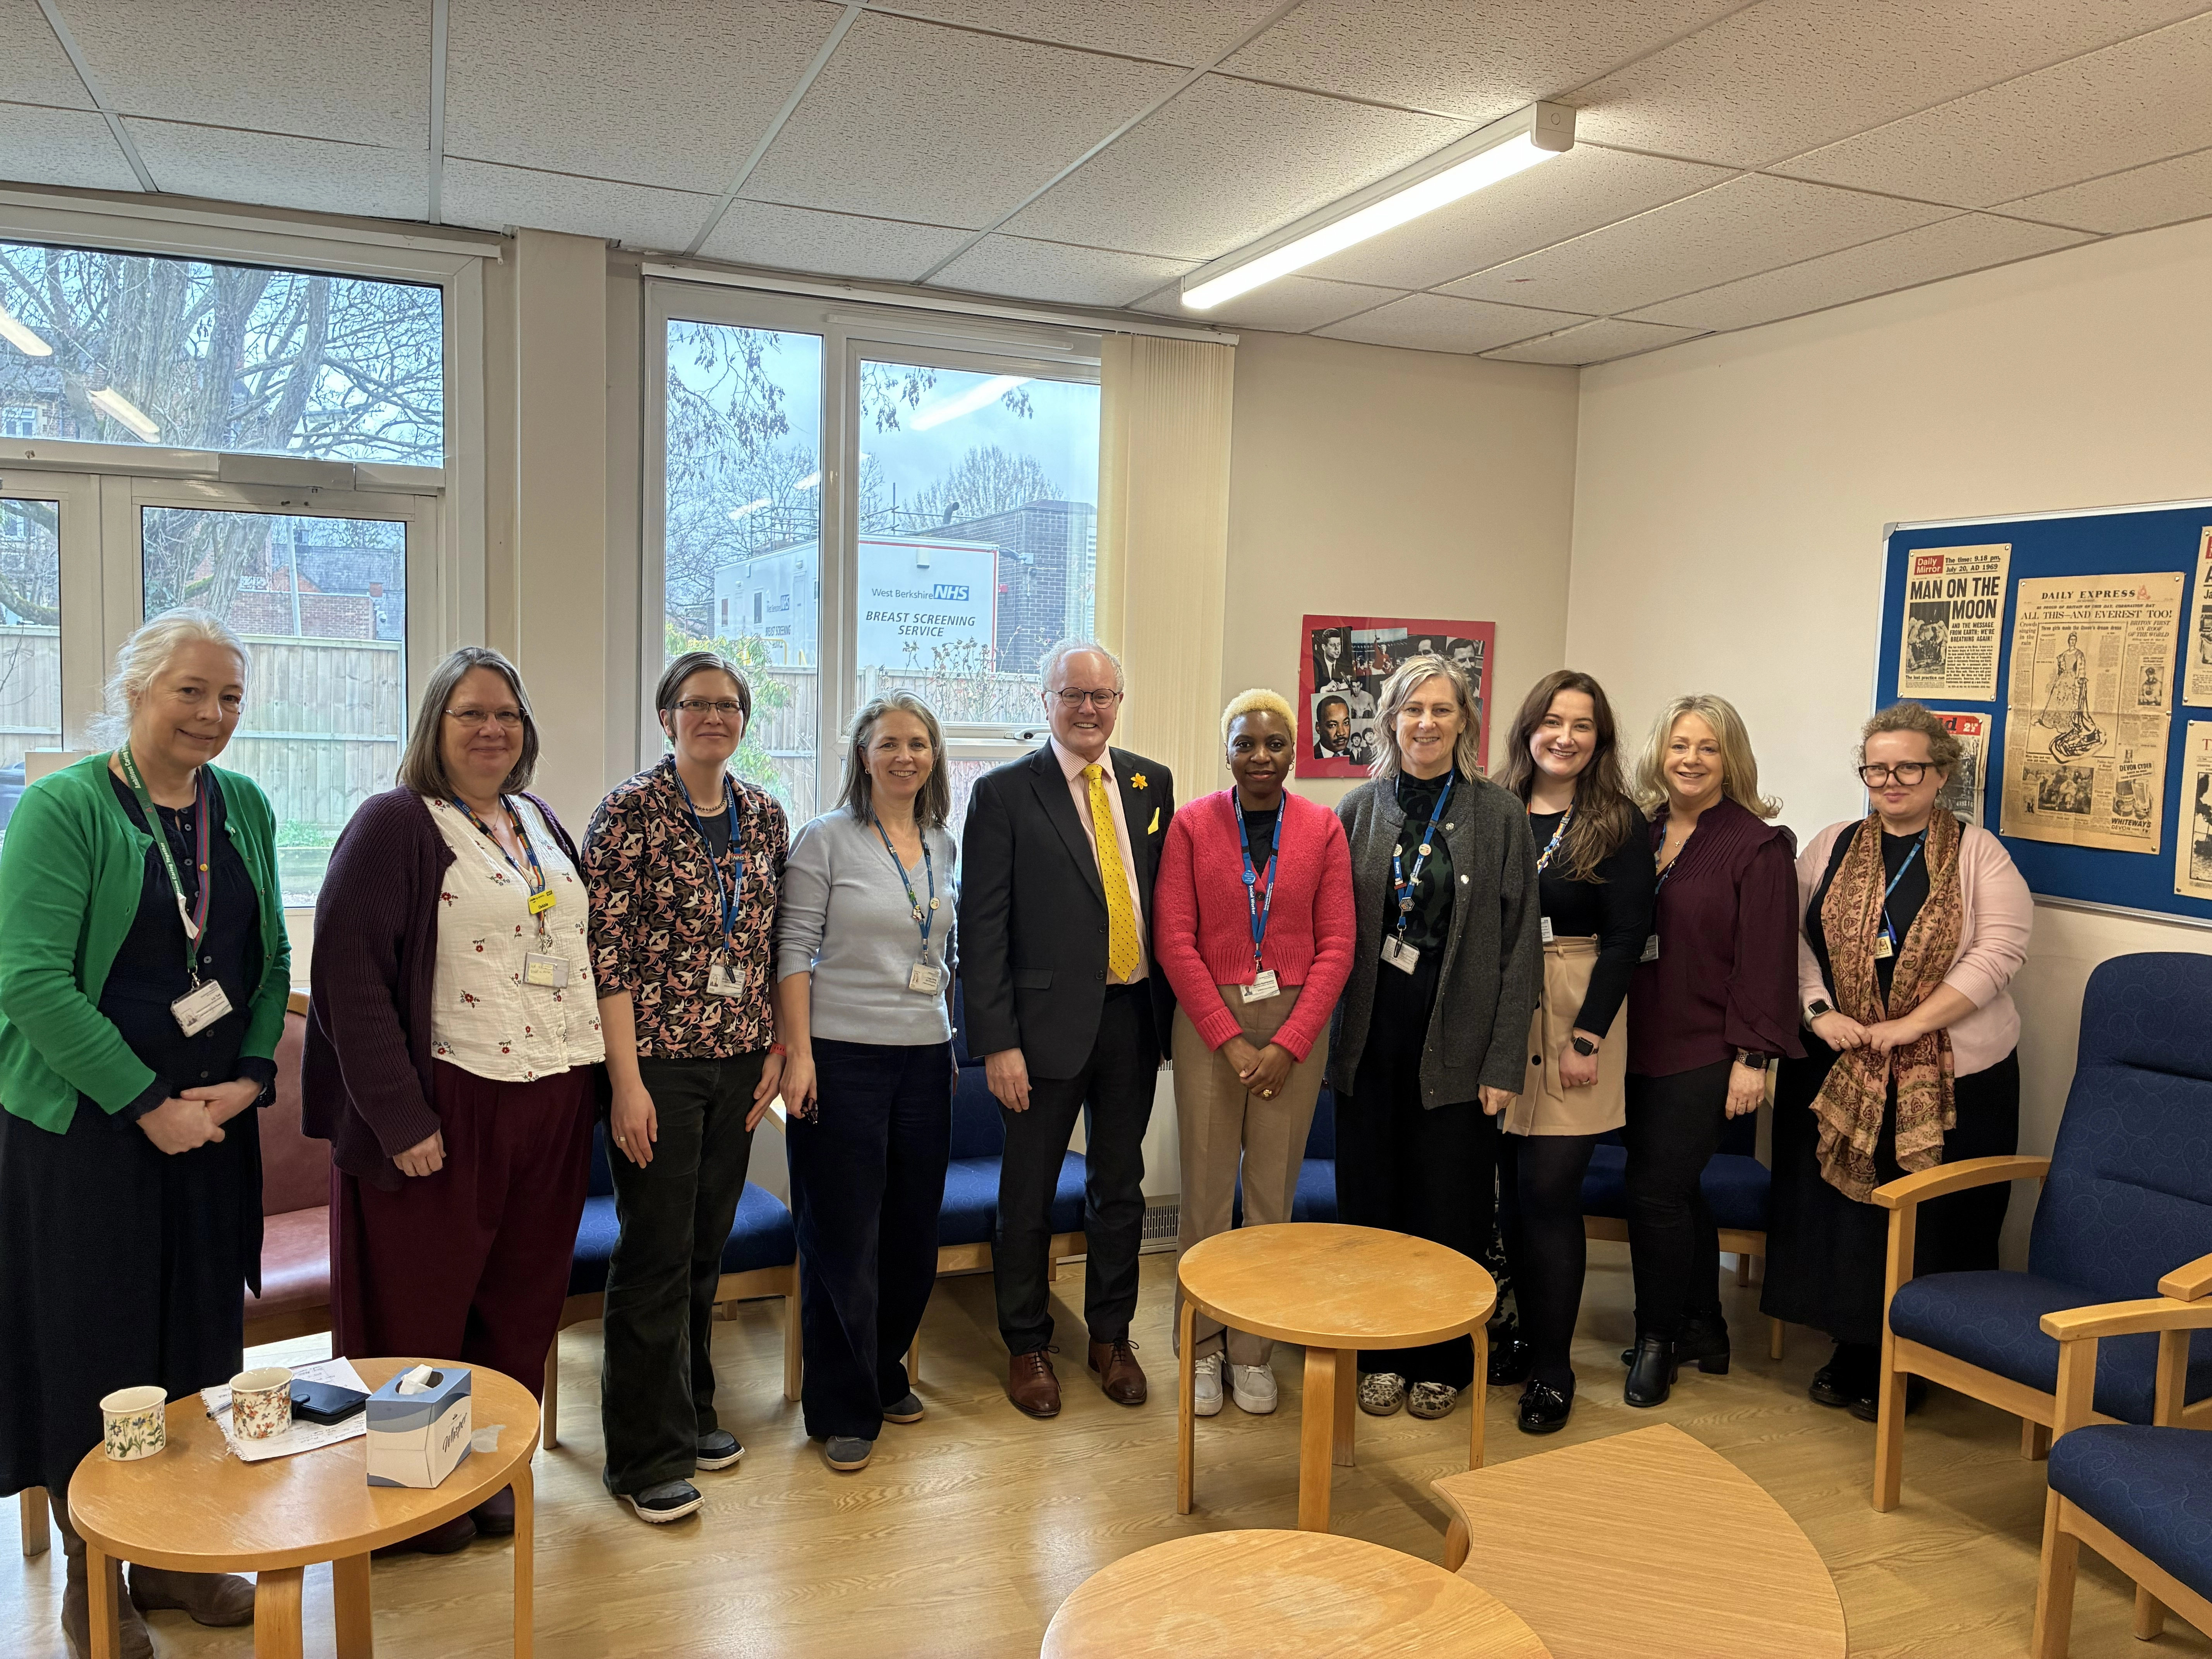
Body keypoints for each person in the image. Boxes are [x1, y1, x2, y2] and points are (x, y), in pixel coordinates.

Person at [0, 610, 289, 1657]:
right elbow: (28, 979)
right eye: (191, 692)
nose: (213, 715)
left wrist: (250, 1081)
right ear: (136, 690)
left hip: (212, 1127)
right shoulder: (65, 806)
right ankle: (99, 1572)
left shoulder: (243, 804)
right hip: (88, 1134)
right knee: (100, 1352)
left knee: (197, 1346)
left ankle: (179, 1556)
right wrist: (145, 1103)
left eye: (230, 697)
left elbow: (270, 961)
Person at [306, 647, 601, 1554]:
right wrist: (401, 1119)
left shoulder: (538, 819)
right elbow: (348, 979)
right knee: (419, 1311)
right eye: (471, 714)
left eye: (507, 715)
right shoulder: (395, 823)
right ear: (436, 726)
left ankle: (490, 1468)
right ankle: (412, 1492)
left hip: (550, 1100)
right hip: (445, 1108)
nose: (492, 730)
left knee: (517, 1301)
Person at [1764, 703, 2031, 1420]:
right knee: (1845, 1216)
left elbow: (1998, 951)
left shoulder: (1980, 854)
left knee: (1934, 1219)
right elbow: (1784, 937)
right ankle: (1853, 1347)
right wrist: (1821, 1011)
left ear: (1939, 772)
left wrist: (1911, 1023)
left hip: (1949, 1073)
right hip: (1842, 1061)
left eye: (1907, 766)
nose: (1890, 779)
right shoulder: (1829, 844)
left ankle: (1919, 1360)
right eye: (1876, 767)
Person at [582, 651, 788, 1523]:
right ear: (666, 716)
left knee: (705, 1246)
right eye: (697, 704)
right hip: (656, 1066)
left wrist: (777, 1045)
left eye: (729, 705)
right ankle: (641, 1456)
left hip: (741, 1059)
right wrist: (624, 1084)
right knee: (655, 1252)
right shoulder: (628, 814)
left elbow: (778, 940)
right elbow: (608, 958)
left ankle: (695, 1410)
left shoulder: (764, 816)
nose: (715, 717)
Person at [958, 641, 1176, 1417]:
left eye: (1103, 695)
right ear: (1043, 701)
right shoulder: (1005, 793)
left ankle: (1111, 1334)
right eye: (1073, 695)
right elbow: (980, 929)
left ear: (1120, 701)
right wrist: (997, 1042)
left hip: (1133, 1016)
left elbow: (1166, 904)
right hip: (1039, 1029)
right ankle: (1028, 1343)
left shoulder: (1153, 784)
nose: (1089, 709)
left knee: (1120, 1189)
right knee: (1028, 1195)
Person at [1331, 655, 1541, 1421]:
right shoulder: (1357, 809)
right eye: (1412, 709)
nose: (1426, 723)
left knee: (1448, 1211)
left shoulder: (1500, 815)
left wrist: (1503, 1061)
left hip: (1458, 1045)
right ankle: (1380, 1351)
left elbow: (1521, 952)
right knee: (1373, 1208)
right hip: (1370, 1042)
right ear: (1390, 719)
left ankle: (1444, 1358)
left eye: (1442, 710)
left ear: (1465, 723)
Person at [1154, 690, 1354, 1417]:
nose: (1261, 756)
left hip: (1295, 1022)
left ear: (1293, 751)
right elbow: (1174, 941)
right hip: (1211, 1022)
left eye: (1275, 743)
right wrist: (1230, 1036)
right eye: (1246, 743)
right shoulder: (1190, 825)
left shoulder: (1323, 828)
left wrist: (1291, 1041)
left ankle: (1253, 1350)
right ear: (1227, 749)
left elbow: (1338, 945)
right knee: (1205, 1195)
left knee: (1271, 1196)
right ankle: (1202, 1345)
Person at [775, 692, 957, 1472]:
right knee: (842, 1238)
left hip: (924, 1055)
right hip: (839, 1056)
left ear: (933, 757)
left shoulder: (945, 844)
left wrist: (946, 1041)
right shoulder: (826, 840)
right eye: (889, 744)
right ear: (863, 754)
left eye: (918, 744)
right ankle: (841, 1407)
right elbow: (792, 949)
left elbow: (945, 955)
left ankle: (883, 1372)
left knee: (914, 1235)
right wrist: (799, 1054)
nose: (905, 757)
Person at [1621, 694, 1801, 1407]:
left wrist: (1752, 1059)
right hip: (1633, 1040)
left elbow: (1764, 961)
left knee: (1653, 1191)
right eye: (1678, 745)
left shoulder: (1757, 845)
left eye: (1707, 747)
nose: (1690, 759)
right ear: (1658, 754)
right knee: (1676, 1187)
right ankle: (1704, 1325)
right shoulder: (1640, 830)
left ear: (1732, 759)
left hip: (1705, 1048)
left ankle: (1657, 1337)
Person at [1491, 671, 1654, 1434]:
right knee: (1512, 1194)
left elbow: (1628, 940)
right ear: (1529, 728)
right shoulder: (1494, 806)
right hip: (1499, 1009)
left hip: (1575, 1008)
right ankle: (1522, 1334)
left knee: (1552, 1193)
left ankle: (1554, 1369)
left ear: (1600, 740)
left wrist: (1586, 1036)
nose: (1565, 736)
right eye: (1553, 721)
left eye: (1582, 725)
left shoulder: (1615, 821)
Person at [1315, 694, 1354, 761]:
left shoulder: (1356, 756)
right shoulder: (1309, 757)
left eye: (1346, 723)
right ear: (1319, 728)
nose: (1341, 733)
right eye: (1333, 725)